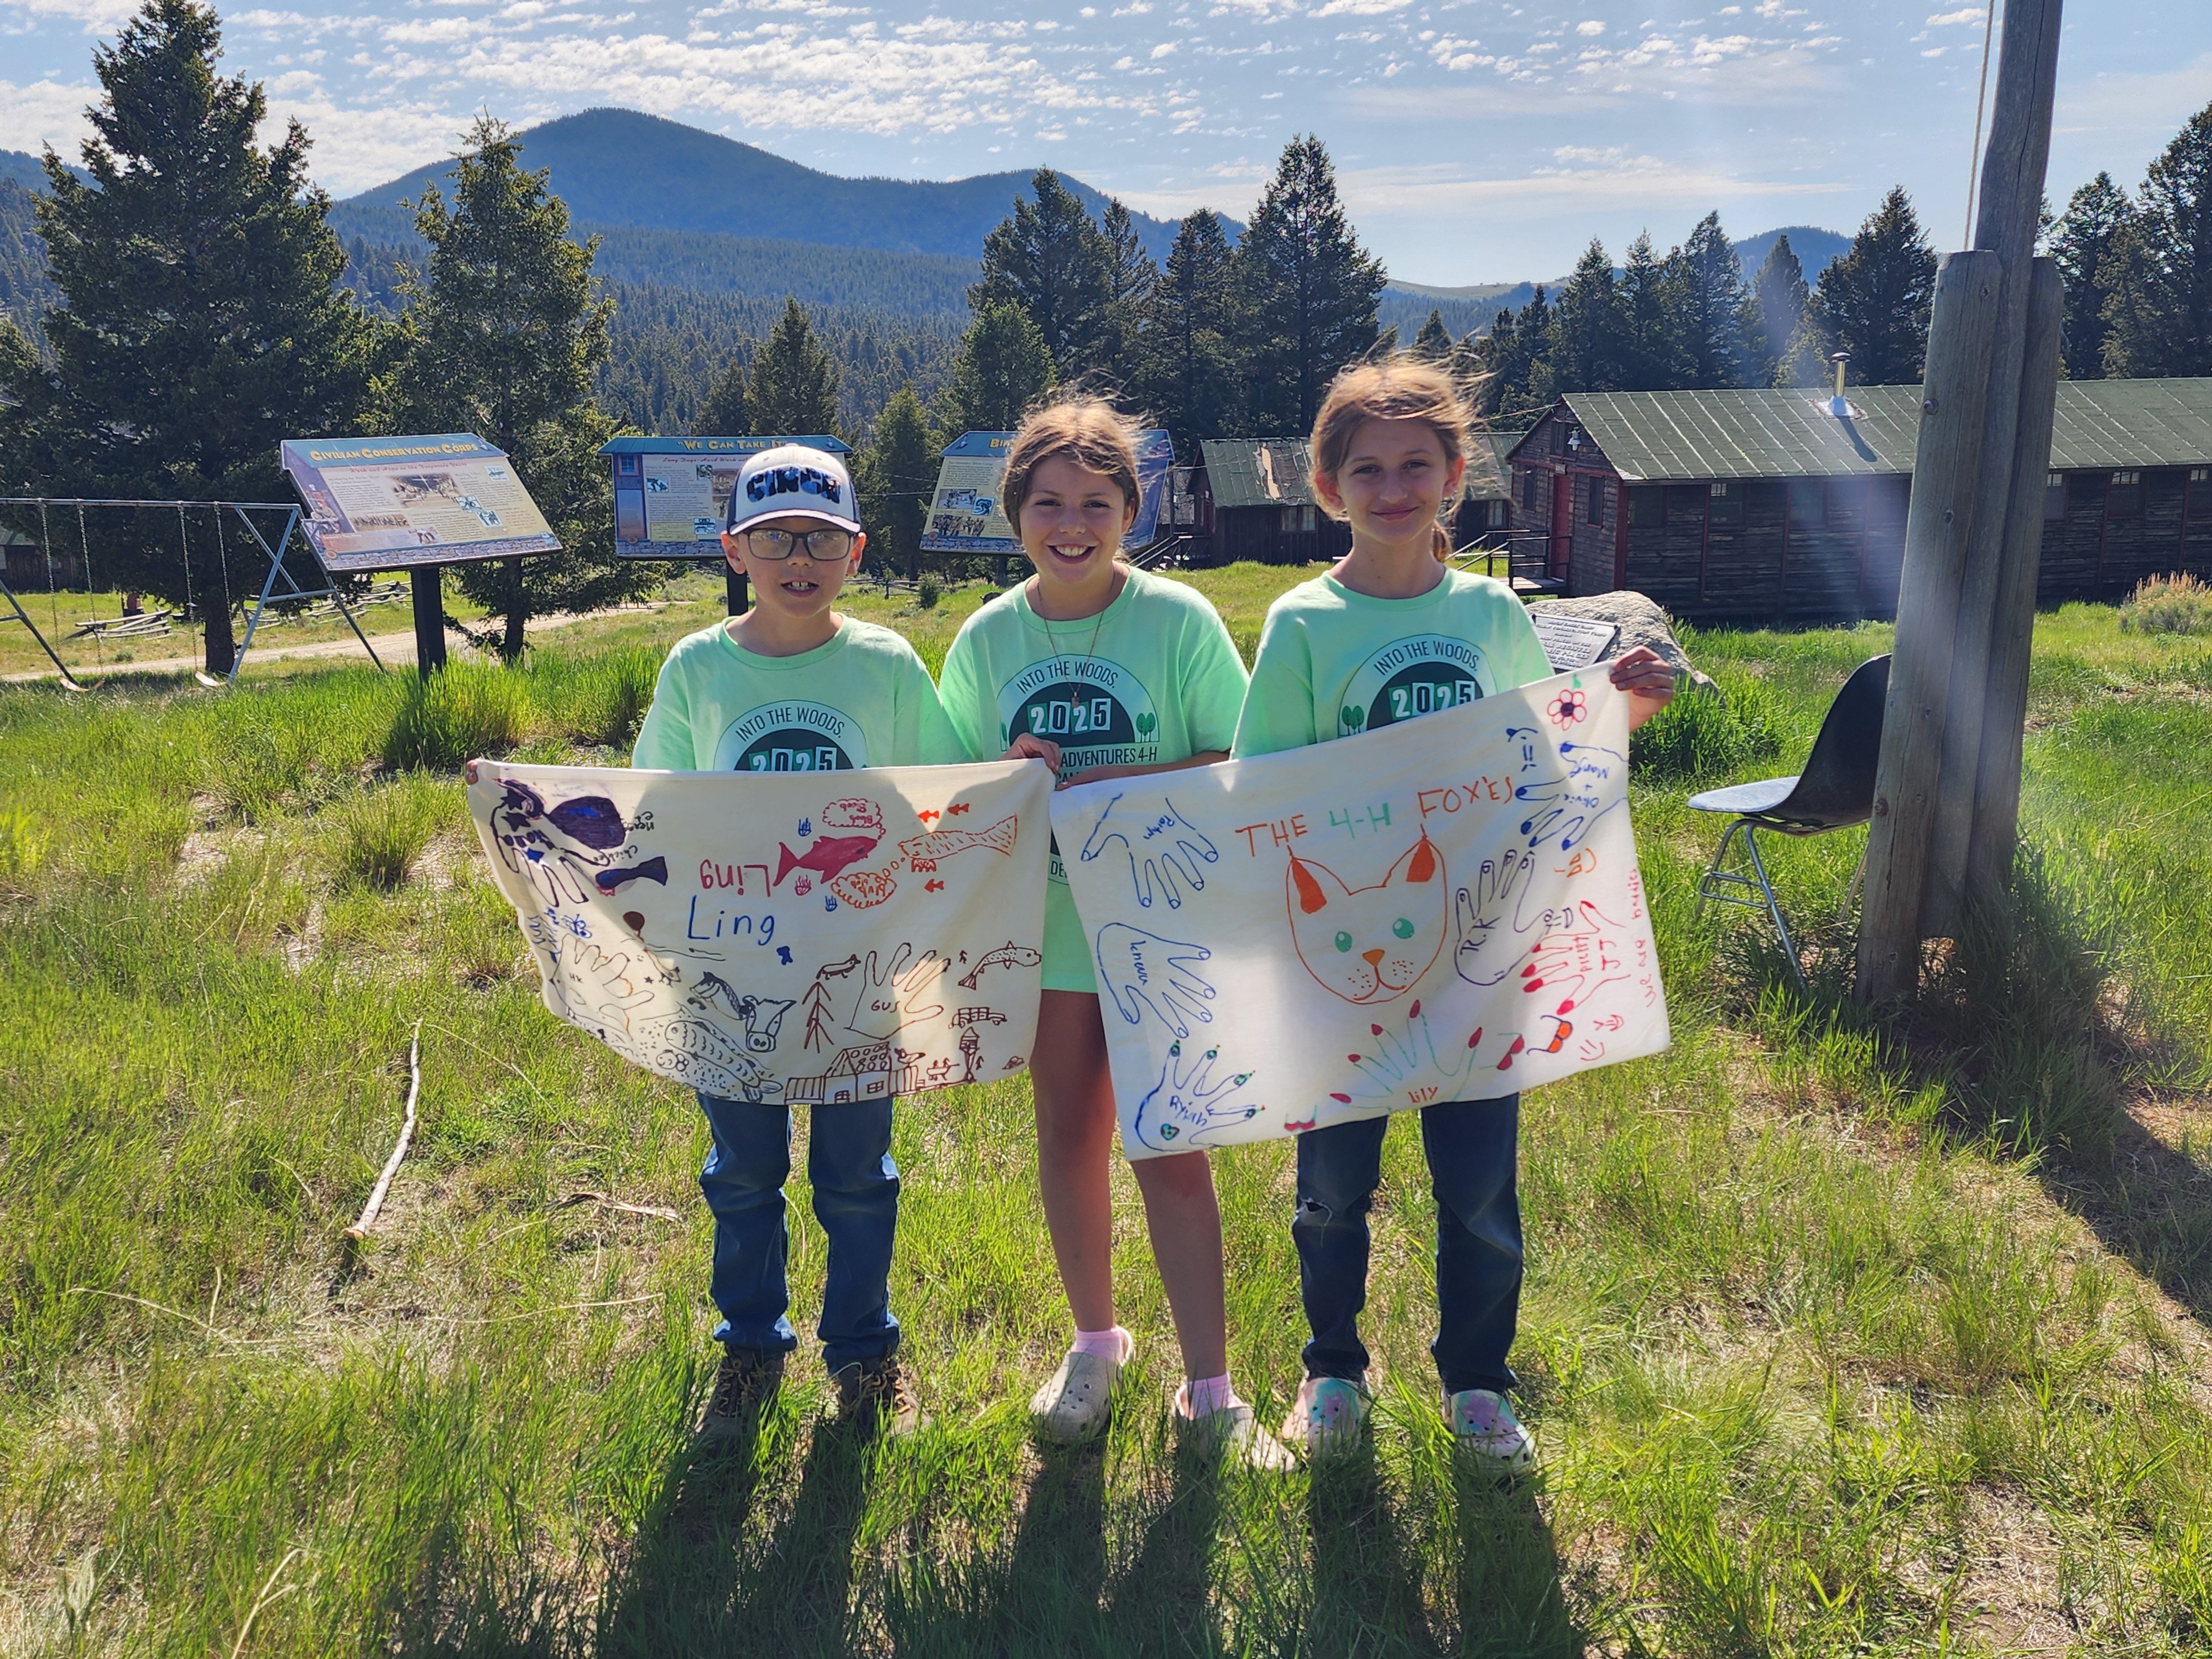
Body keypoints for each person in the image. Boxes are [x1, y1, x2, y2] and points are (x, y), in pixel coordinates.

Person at [1231, 356, 1677, 1469]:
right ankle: (1330, 1372)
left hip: (1479, 959)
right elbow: (1259, 790)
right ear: (1328, 486)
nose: (1392, 489)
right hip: (1337, 970)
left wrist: (1613, 714)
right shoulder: (1299, 623)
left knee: (1479, 1194)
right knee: (1332, 1193)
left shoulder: (1487, 613)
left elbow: (1539, 770)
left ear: (1453, 475)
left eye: (1413, 467)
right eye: (1366, 469)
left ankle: (1477, 1385)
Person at [938, 394, 1292, 1469]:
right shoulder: (985, 639)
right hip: (1043, 936)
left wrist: (1116, 783)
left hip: (1163, 937)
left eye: (1095, 502)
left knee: (1171, 1151)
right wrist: (1005, 778)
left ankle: (1211, 1392)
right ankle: (1094, 1343)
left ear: (1130, 511)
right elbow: (950, 798)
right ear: (1014, 517)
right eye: (1046, 503)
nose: (1070, 523)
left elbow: (1238, 771)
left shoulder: (1176, 624)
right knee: (1066, 1138)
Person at [632, 442, 969, 1441]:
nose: (797, 557)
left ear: (854, 551)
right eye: (774, 536)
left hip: (860, 975)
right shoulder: (697, 668)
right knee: (741, 1172)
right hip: (727, 974)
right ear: (735, 548)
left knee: (857, 1175)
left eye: (820, 538)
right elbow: (657, 807)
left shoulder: (886, 666)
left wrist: (1019, 780)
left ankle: (864, 1354)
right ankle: (749, 1350)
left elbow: (943, 802)